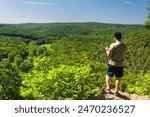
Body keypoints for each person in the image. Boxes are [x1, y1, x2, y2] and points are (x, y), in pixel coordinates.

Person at [104, 32, 127, 96]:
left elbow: (109, 54)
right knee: (118, 77)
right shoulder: (124, 45)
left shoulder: (113, 45)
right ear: (121, 37)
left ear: (115, 37)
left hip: (112, 63)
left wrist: (106, 49)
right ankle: (116, 91)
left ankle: (108, 88)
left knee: (108, 75)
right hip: (120, 64)